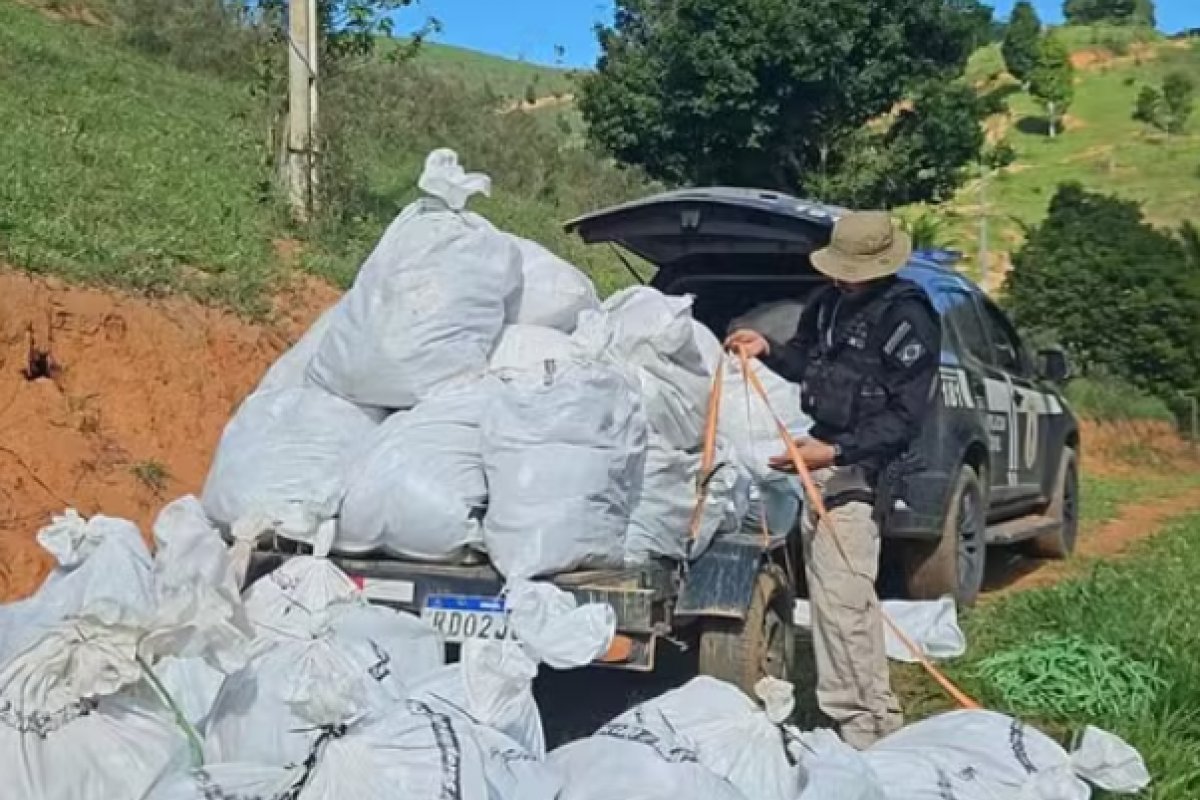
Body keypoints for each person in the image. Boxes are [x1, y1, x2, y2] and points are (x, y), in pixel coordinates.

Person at [725, 210, 941, 749]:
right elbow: (808, 364)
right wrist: (767, 349)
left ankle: (865, 729)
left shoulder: (908, 320)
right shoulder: (828, 305)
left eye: (852, 270)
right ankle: (868, 715)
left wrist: (835, 452)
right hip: (819, 466)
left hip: (863, 472)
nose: (841, 277)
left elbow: (906, 418)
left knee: (843, 601)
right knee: (832, 599)